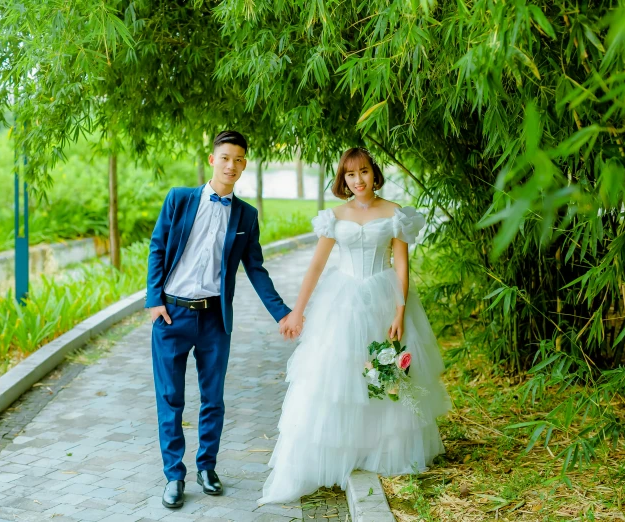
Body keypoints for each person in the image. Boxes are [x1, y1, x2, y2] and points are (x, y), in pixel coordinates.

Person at [259, 147, 452, 505]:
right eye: (350, 175)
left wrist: (399, 311)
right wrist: (297, 312)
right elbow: (316, 267)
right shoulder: (334, 217)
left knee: (385, 376)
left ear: (373, 173)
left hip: (383, 296)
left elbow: (401, 267)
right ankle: (341, 452)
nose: (358, 180)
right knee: (338, 377)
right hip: (342, 299)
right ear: (343, 180)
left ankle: (382, 449)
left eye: (363, 172)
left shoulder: (395, 214)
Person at [146, 130, 297, 509]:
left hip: (215, 318)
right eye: (225, 157)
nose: (232, 165)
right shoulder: (179, 199)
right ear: (212, 159)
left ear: (245, 164)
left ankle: (207, 467)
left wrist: (283, 313)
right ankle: (174, 476)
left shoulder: (247, 215)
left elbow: (256, 270)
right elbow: (158, 247)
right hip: (171, 315)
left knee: (213, 398)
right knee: (170, 398)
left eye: (239, 159)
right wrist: (153, 300)